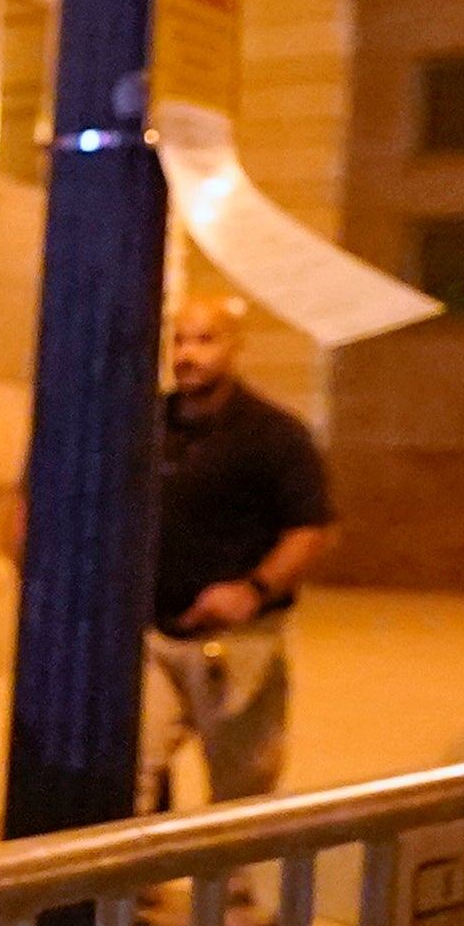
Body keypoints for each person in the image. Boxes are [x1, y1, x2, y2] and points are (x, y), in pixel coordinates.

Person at [145, 296, 335, 818]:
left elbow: (311, 529)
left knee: (240, 790)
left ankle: (236, 899)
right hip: (156, 635)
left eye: (205, 340)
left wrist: (252, 589)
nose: (188, 354)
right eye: (180, 340)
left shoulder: (275, 435)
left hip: (237, 645)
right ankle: (136, 894)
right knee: (133, 769)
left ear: (235, 347)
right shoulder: (148, 425)